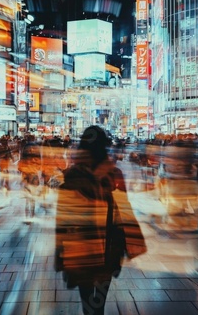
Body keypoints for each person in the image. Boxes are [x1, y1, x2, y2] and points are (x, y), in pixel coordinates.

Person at [55, 126, 145, 315]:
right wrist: (133, 243)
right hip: (109, 246)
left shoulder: (71, 177)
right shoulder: (113, 175)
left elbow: (63, 218)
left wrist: (60, 251)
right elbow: (125, 211)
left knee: (87, 300)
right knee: (99, 303)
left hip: (80, 248)